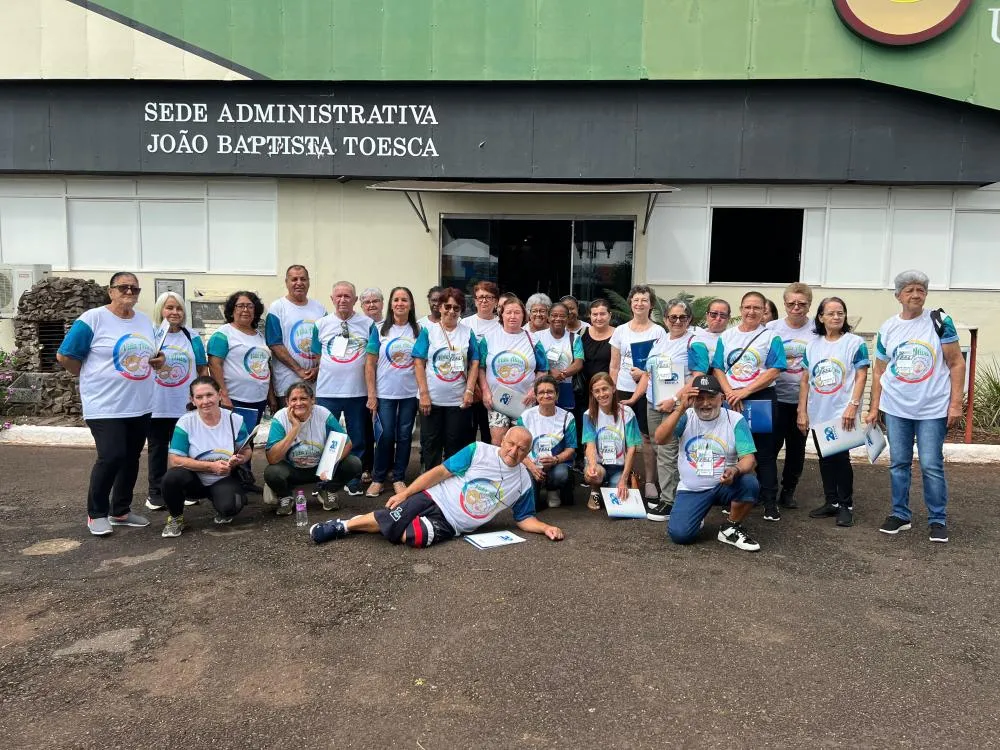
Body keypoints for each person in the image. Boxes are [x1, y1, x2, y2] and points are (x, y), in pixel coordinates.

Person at [309, 427, 565, 547]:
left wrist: (546, 528)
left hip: (453, 524)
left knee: (411, 537)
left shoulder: (523, 482)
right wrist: (406, 493)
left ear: (528, 453)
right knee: (394, 516)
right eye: (511, 444)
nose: (514, 451)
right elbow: (440, 472)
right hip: (434, 497)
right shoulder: (478, 451)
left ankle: (393, 519)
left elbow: (524, 518)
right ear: (503, 440)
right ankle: (343, 526)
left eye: (521, 449)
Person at [57, 271, 163, 535]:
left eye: (134, 289)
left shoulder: (144, 321)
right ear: (111, 291)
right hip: (105, 405)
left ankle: (120, 511)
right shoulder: (93, 319)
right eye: (123, 287)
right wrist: (89, 376)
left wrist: (159, 360)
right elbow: (65, 356)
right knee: (112, 456)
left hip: (140, 403)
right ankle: (96, 513)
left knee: (130, 459)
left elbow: (153, 353)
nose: (129, 292)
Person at [865, 270, 966, 543]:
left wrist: (956, 404)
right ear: (898, 296)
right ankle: (900, 515)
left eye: (920, 289)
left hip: (932, 408)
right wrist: (874, 407)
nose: (916, 294)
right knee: (898, 463)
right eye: (909, 290)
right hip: (896, 407)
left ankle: (937, 519)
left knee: (931, 464)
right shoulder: (888, 328)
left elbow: (956, 363)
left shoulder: (940, 321)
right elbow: (879, 370)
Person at [653, 375, 761, 552]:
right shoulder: (686, 416)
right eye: (699, 398)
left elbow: (749, 458)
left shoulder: (735, 420)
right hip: (691, 488)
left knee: (749, 483)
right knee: (680, 535)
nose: (705, 403)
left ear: (722, 398)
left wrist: (735, 470)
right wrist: (680, 408)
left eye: (711, 397)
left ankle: (731, 527)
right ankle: (695, 515)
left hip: (724, 484)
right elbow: (659, 439)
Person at [708, 291, 787, 523]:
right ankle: (734, 496)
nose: (751, 312)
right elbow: (718, 367)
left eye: (757, 308)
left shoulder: (771, 337)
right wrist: (730, 392)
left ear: (764, 311)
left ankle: (769, 501)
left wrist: (746, 391)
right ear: (741, 309)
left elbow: (776, 368)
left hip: (760, 397)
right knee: (732, 449)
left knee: (764, 452)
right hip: (731, 398)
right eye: (747, 307)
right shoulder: (727, 336)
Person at [797, 297, 869, 528]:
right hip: (818, 411)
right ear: (821, 317)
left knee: (840, 458)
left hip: (842, 411)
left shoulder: (854, 343)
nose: (836, 317)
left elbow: (861, 375)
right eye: (831, 313)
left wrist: (853, 405)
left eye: (840, 313)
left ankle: (846, 505)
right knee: (825, 458)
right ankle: (831, 501)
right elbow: (805, 379)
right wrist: (802, 410)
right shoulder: (812, 345)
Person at [159, 376, 252, 537]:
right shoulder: (185, 422)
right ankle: (176, 518)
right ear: (192, 400)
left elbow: (246, 450)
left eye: (209, 395)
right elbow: (174, 460)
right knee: (172, 478)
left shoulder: (235, 420)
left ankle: (222, 504)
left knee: (231, 507)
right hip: (194, 480)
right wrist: (211, 466)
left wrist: (240, 459)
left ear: (219, 395)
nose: (205, 401)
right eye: (199, 397)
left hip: (223, 479)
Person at [637, 298, 704, 522]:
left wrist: (675, 399)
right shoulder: (659, 340)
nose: (677, 321)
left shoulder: (694, 343)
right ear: (665, 319)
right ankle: (669, 494)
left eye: (682, 317)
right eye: (672, 317)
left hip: (676, 405)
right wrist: (636, 396)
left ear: (689, 319)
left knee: (668, 450)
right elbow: (648, 373)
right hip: (653, 403)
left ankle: (670, 501)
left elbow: (698, 376)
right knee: (659, 447)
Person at [145, 291, 208, 512]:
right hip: (157, 404)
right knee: (158, 449)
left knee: (186, 449)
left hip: (185, 404)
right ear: (160, 310)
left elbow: (201, 367)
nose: (174, 312)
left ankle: (187, 489)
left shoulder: (192, 336)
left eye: (179, 308)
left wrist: (201, 396)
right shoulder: (151, 334)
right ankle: (156, 493)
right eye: (169, 307)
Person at [311, 281, 374, 496]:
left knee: (358, 438)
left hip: (358, 392)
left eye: (347, 296)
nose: (342, 300)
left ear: (355, 300)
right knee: (328, 437)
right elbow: (317, 355)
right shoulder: (321, 324)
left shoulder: (368, 324)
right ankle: (326, 478)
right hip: (328, 392)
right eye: (338, 296)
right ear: (332, 299)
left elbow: (372, 358)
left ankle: (353, 479)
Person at [263, 381, 363, 515]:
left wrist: (328, 466)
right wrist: (295, 428)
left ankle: (328, 490)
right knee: (272, 472)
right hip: (292, 470)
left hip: (320, 469)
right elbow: (272, 458)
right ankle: (285, 496)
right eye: (294, 399)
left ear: (312, 400)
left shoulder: (323, 414)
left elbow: (347, 443)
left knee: (353, 464)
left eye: (303, 398)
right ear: (287, 402)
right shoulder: (280, 417)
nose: (298, 403)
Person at [207, 290, 273, 489]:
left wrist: (270, 395)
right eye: (240, 306)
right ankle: (229, 482)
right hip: (235, 398)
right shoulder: (223, 334)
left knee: (248, 441)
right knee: (232, 441)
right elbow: (215, 364)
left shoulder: (259, 336)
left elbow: (266, 366)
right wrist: (223, 394)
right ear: (232, 310)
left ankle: (245, 479)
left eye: (250, 306)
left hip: (257, 399)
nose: (245, 310)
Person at [609, 285, 667, 505]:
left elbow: (662, 365)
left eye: (644, 300)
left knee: (647, 437)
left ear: (651, 304)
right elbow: (614, 365)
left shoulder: (658, 332)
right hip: (622, 389)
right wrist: (612, 389)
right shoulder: (620, 331)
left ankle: (650, 481)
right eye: (636, 300)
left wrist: (644, 374)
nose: (640, 304)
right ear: (630, 303)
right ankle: (623, 478)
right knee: (621, 436)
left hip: (648, 392)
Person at [413, 287, 479, 469]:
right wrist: (424, 394)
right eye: (447, 306)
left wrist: (469, 390)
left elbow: (475, 362)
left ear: (461, 310)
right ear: (440, 307)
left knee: (455, 444)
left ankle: (451, 480)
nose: (451, 311)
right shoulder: (429, 331)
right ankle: (431, 481)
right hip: (431, 400)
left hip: (458, 401)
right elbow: (418, 363)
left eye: (456, 308)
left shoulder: (467, 332)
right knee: (431, 444)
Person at [767, 282, 818, 510]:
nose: (796, 308)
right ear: (784, 304)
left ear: (809, 304)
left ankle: (788, 490)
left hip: (803, 401)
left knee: (796, 449)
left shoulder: (818, 329)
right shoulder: (772, 328)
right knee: (770, 447)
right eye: (791, 303)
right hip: (775, 398)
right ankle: (766, 489)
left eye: (802, 304)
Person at [365, 286, 420, 497]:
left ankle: (398, 477)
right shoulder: (379, 329)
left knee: (404, 436)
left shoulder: (419, 330)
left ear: (411, 304)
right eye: (396, 299)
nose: (400, 303)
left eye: (404, 300)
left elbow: (421, 363)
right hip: (385, 394)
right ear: (390, 304)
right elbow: (370, 364)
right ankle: (378, 478)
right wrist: (372, 394)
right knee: (385, 435)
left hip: (410, 394)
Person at [478, 295, 547, 446]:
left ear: (524, 316)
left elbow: (543, 370)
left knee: (522, 443)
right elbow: (481, 368)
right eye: (508, 312)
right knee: (498, 442)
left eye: (517, 312)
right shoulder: (489, 338)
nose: (513, 316)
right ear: (501, 315)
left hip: (524, 401)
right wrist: (485, 391)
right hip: (497, 401)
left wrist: (534, 390)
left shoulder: (533, 340)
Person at [265, 265, 326, 408]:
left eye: (303, 279)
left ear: (309, 282)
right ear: (286, 282)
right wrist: (299, 370)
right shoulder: (277, 307)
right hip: (287, 382)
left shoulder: (319, 308)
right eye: (294, 279)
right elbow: (274, 344)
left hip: (316, 384)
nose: (299, 283)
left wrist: (318, 369)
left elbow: (327, 342)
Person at [581, 373, 642, 511]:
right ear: (592, 394)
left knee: (620, 500)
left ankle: (614, 483)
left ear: (613, 388)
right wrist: (592, 467)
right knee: (594, 474)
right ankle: (595, 491)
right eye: (597, 391)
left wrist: (624, 480)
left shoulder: (627, 413)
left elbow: (632, 448)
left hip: (619, 466)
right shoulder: (589, 414)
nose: (601, 394)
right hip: (600, 464)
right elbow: (590, 445)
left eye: (605, 389)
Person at [517, 376, 577, 508]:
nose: (546, 395)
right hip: (533, 465)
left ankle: (552, 488)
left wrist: (555, 460)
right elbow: (518, 449)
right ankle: (537, 487)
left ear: (557, 395)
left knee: (561, 474)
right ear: (536, 396)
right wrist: (532, 467)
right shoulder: (525, 417)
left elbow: (571, 448)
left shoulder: (567, 417)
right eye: (541, 392)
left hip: (557, 464)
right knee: (534, 507)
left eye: (550, 392)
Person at [463, 281, 501, 443]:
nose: (484, 301)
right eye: (480, 297)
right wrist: (473, 386)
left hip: (493, 389)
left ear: (496, 301)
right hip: (468, 387)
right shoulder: (465, 324)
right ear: (475, 300)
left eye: (488, 297)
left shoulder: (502, 324)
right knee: (467, 434)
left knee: (489, 434)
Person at [577, 298, 615, 457]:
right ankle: (586, 459)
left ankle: (607, 457)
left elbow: (616, 365)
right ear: (589, 316)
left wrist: (612, 389)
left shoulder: (617, 335)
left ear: (610, 315)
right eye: (595, 314)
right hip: (585, 390)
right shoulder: (582, 334)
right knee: (586, 424)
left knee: (606, 424)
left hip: (605, 390)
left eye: (602, 314)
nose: (598, 318)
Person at [535, 301, 584, 411]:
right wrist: (549, 372)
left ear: (567, 318)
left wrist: (562, 374)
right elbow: (535, 360)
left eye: (562, 316)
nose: (558, 319)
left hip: (566, 387)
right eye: (554, 315)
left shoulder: (575, 338)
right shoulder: (537, 337)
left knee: (564, 416)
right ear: (548, 317)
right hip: (542, 387)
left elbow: (578, 363)